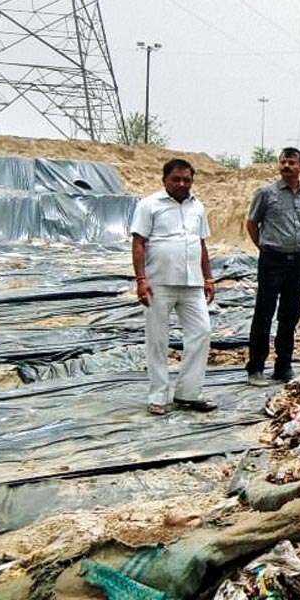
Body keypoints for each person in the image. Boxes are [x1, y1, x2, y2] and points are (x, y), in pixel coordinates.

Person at [131, 159, 217, 415]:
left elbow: (201, 244)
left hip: (192, 283)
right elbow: (138, 243)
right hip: (159, 282)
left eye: (187, 180)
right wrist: (141, 280)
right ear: (164, 180)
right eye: (176, 179)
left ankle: (188, 393)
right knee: (157, 339)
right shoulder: (149, 205)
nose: (182, 184)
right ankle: (158, 396)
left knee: (201, 332)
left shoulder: (198, 206)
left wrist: (209, 278)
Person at [244, 147, 300, 386]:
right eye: (283, 162)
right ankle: (255, 368)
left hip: (298, 260)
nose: (287, 166)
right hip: (272, 260)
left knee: (290, 315)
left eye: (292, 162)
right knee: (264, 313)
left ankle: (283, 366)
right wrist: (263, 247)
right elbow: (252, 223)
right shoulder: (266, 193)